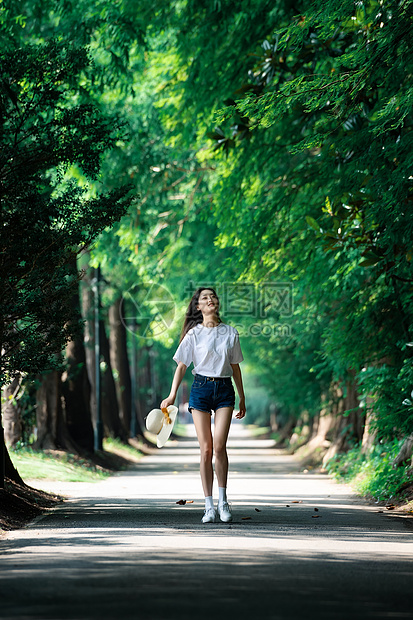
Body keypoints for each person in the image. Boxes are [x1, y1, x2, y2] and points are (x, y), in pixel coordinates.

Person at [161, 286, 246, 524]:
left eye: (213, 296)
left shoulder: (230, 332)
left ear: (217, 303)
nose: (210, 300)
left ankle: (223, 502)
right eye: (204, 298)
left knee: (219, 447)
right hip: (200, 389)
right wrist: (171, 396)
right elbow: (181, 367)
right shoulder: (193, 335)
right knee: (206, 449)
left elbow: (236, 367)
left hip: (224, 390)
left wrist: (242, 397)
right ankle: (208, 506)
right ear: (198, 306)